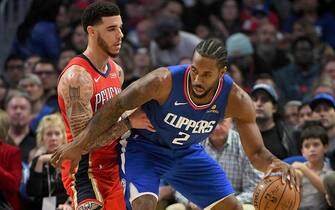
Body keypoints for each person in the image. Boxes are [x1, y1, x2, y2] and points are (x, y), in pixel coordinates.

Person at [51, 39, 299, 210]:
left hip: (186, 153)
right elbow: (115, 105)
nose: (197, 79)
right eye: (194, 70)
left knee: (231, 207)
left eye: (206, 74)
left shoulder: (237, 100)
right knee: (145, 205)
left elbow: (256, 152)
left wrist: (274, 164)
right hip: (144, 149)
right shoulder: (163, 81)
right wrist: (79, 144)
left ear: (222, 73)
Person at [56, 2, 153, 210]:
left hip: (114, 162)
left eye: (120, 27)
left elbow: (113, 114)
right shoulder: (77, 78)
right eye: (111, 29)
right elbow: (83, 143)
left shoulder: (116, 70)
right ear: (91, 32)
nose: (120, 35)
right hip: (85, 170)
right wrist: (129, 123)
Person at [202, 118, 262, 204]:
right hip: (199, 202)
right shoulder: (194, 143)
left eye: (221, 121)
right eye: (212, 122)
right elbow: (181, 182)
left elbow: (255, 189)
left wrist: (227, 204)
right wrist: (190, 202)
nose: (216, 127)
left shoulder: (245, 145)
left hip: (235, 203)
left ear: (232, 122)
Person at [26, 114, 71, 210]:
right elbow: (34, 193)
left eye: (57, 133)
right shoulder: (37, 160)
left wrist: (69, 204)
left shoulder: (71, 158)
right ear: (42, 138)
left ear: (63, 137)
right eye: (49, 134)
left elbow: (78, 187)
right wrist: (41, 160)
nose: (53, 138)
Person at [292, 121, 332, 210]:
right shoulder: (297, 170)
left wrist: (304, 169)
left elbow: (326, 190)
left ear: (325, 148)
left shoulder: (330, 172)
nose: (312, 149)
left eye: (316, 145)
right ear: (302, 151)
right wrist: (297, 183)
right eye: (307, 146)